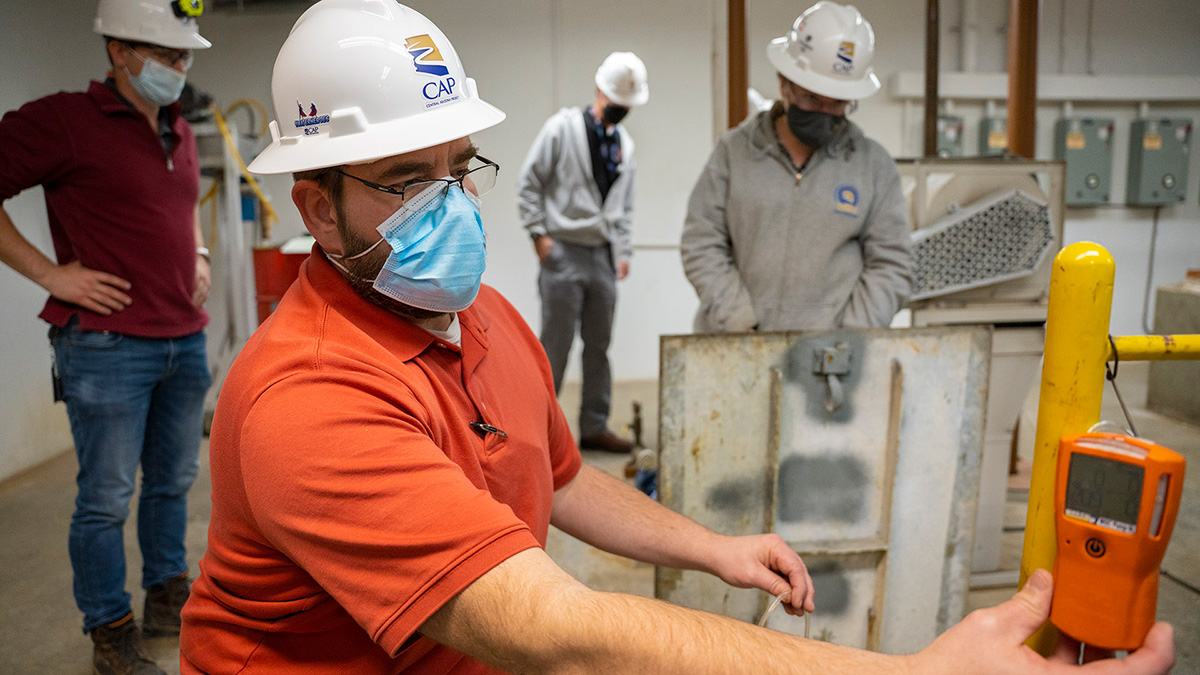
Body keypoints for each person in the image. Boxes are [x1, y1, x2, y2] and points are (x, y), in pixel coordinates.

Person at [181, 3, 1174, 674]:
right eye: (406, 181)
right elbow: (552, 628)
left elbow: (558, 479)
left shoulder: (470, 313)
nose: (450, 206)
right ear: (317, 207)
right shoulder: (307, 399)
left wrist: (715, 547)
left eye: (460, 167)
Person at [0, 1, 212, 673]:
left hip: (185, 337)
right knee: (104, 498)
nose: (178, 70)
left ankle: (165, 597)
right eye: (165, 56)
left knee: (172, 483)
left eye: (184, 57)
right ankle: (110, 631)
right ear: (118, 51)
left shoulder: (177, 125)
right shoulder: (64, 120)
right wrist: (52, 276)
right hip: (107, 347)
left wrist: (200, 253)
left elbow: (180, 209)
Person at [681, 1, 913, 333]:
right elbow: (702, 242)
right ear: (784, 84)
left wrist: (850, 337)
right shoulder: (734, 154)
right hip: (735, 348)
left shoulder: (872, 166)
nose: (824, 111)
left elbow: (892, 264)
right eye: (811, 98)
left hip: (833, 361)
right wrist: (739, 322)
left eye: (837, 103)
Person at [516, 51, 648, 453]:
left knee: (599, 344)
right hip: (564, 252)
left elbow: (624, 205)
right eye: (615, 102)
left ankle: (593, 426)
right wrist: (538, 234)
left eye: (627, 105)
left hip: (603, 257)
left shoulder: (624, 144)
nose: (620, 111)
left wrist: (622, 251)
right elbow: (529, 183)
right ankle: (540, 429)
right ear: (598, 90)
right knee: (555, 344)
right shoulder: (562, 129)